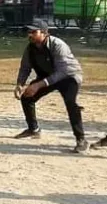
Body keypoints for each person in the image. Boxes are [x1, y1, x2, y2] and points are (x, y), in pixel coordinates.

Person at [13, 20, 88, 153]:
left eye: (33, 32)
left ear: (44, 33)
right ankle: (33, 129)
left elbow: (62, 71)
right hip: (48, 75)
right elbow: (25, 67)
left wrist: (38, 85)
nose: (30, 34)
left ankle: (81, 139)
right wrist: (20, 84)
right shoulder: (30, 48)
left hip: (68, 77)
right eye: (29, 32)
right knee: (27, 97)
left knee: (71, 103)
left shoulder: (58, 45)